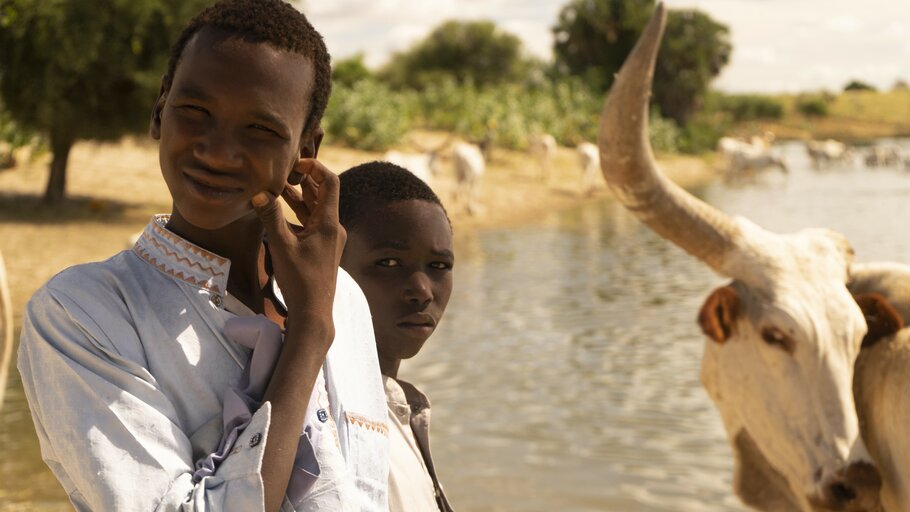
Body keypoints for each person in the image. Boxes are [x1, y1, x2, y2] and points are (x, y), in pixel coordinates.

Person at [16, 1, 388, 510]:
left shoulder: (343, 296)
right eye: (195, 113)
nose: (217, 152)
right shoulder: (81, 313)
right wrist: (309, 334)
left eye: (260, 130)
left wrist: (321, 308)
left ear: (308, 149)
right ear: (158, 112)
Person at [338, 161, 456, 512]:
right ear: (327, 265)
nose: (421, 291)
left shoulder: (393, 406)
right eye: (388, 263)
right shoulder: (329, 421)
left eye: (439, 266)